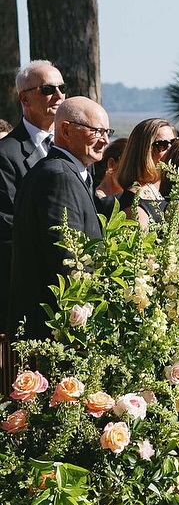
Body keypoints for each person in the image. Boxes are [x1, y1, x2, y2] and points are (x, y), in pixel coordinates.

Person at [8, 96, 110, 342]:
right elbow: (67, 258)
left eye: (108, 132)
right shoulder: (58, 176)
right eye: (97, 131)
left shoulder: (68, 172)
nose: (105, 140)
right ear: (65, 129)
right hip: (56, 331)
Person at [0, 61, 65, 333]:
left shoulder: (71, 150)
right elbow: (8, 227)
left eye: (62, 88)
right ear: (24, 97)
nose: (59, 96)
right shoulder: (6, 154)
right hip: (30, 292)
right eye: (48, 89)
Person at [115, 116, 179, 225]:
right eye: (162, 145)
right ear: (144, 151)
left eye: (173, 143)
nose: (170, 149)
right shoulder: (134, 201)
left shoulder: (170, 190)